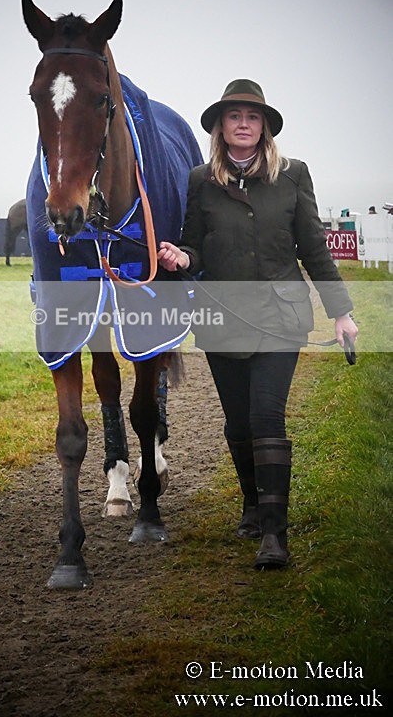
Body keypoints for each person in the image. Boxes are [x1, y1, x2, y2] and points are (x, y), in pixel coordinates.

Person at [158, 79, 358, 569]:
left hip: (280, 316)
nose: (243, 123)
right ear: (221, 127)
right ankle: (251, 503)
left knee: (267, 417)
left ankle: (274, 534)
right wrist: (181, 255)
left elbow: (313, 248)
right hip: (223, 318)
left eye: (252, 116)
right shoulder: (199, 180)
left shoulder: (293, 176)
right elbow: (195, 243)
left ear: (263, 125)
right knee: (238, 423)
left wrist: (341, 312)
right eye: (234, 116)